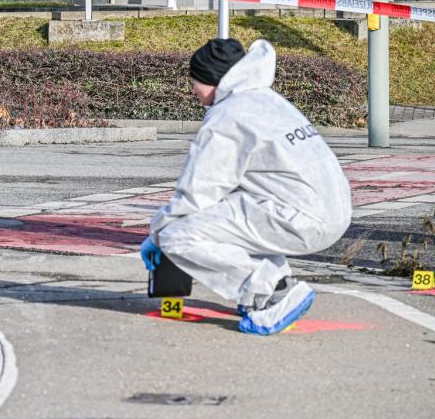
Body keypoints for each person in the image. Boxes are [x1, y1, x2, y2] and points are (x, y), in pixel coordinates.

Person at [139, 38, 351, 335]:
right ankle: (274, 282)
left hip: (301, 218)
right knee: (227, 217)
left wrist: (159, 232)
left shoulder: (228, 117)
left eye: (195, 81)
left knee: (178, 236)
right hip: (330, 210)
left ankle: (274, 292)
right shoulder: (267, 99)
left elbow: (198, 191)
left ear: (213, 79)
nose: (192, 89)